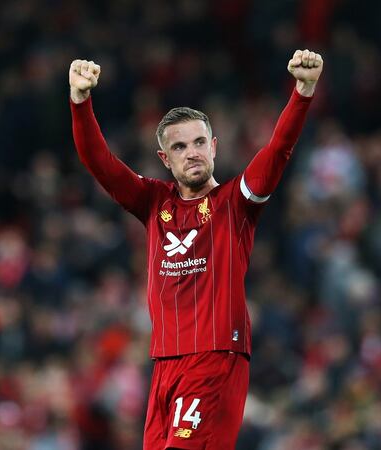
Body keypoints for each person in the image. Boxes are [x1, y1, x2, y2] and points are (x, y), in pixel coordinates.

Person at [69, 49, 323, 449]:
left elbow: (276, 152)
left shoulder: (234, 204)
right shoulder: (152, 202)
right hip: (165, 365)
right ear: (164, 159)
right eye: (181, 147)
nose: (193, 153)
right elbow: (99, 162)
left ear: (215, 147)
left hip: (215, 357)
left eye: (200, 142)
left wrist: (302, 91)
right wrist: (80, 103)